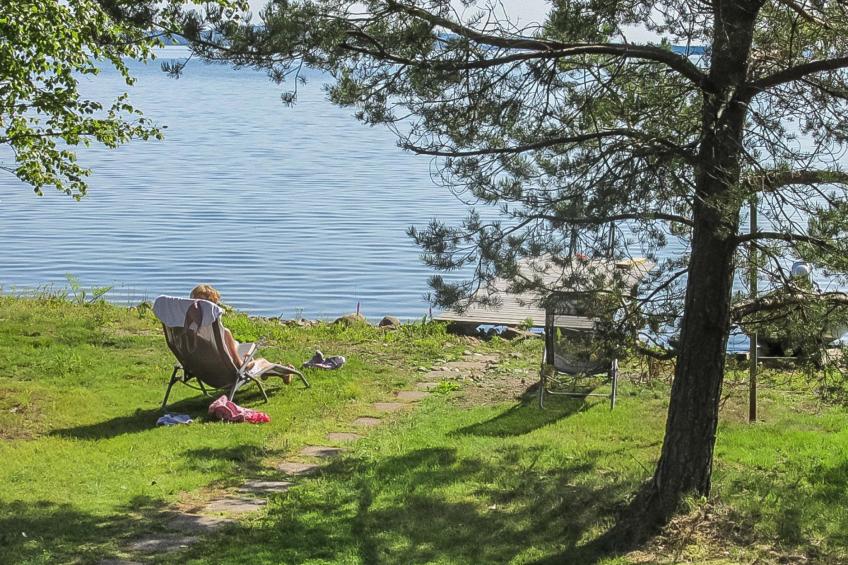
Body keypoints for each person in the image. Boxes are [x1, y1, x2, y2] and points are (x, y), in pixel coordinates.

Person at [189, 284, 293, 383]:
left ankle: (277, 371)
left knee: (239, 348)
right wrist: (247, 362)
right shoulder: (224, 333)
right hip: (227, 375)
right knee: (261, 361)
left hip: (204, 372)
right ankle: (282, 371)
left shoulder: (187, 331)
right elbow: (240, 366)